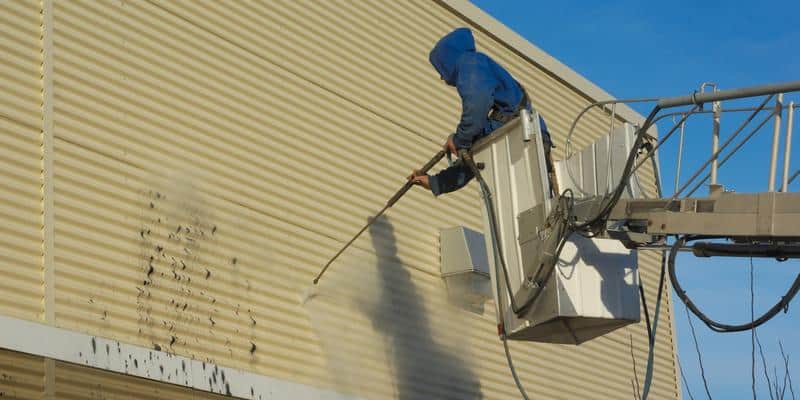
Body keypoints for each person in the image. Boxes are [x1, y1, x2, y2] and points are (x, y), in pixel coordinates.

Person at [410, 27, 555, 196]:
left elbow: (476, 105)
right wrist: (436, 182)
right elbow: (473, 157)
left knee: (534, 203)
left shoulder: (470, 64)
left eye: (441, 69)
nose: (442, 77)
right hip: (519, 136)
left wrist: (459, 139)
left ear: (448, 60)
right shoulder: (494, 121)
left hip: (524, 136)